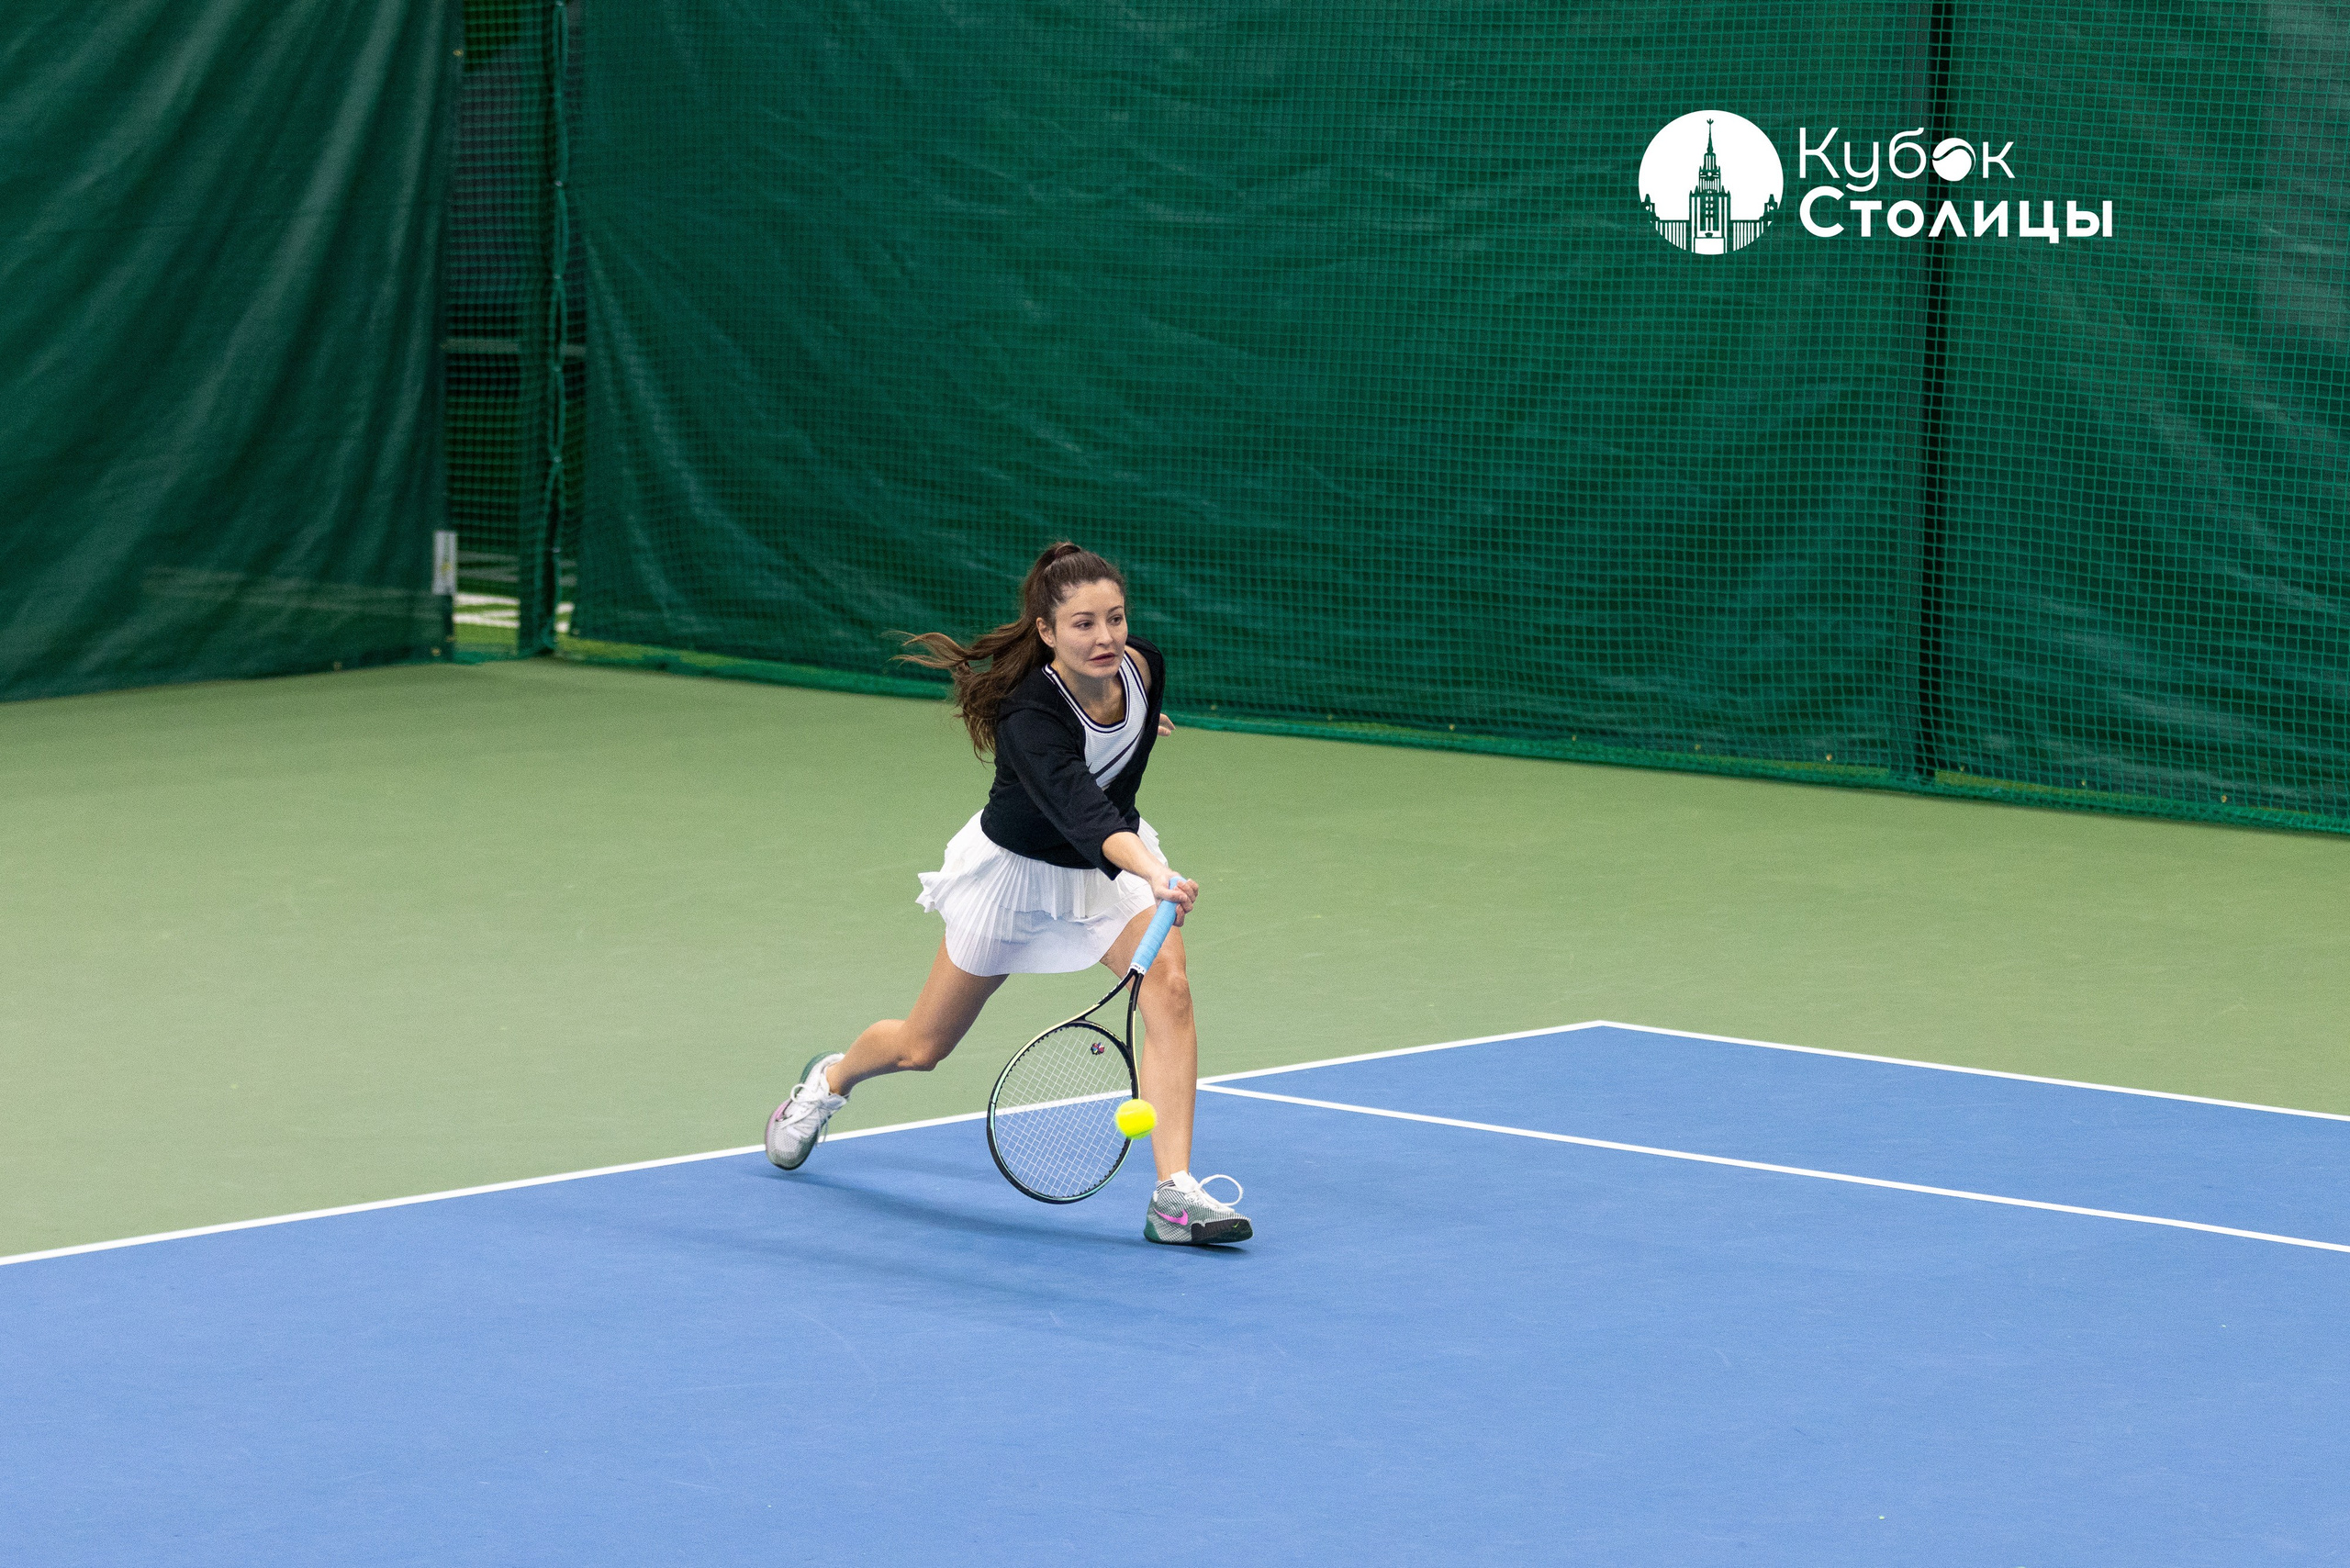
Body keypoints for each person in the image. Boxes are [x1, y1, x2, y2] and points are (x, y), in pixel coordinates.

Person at [764, 542, 1252, 1246]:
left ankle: (1173, 1195)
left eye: (1114, 618)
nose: (1106, 637)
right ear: (1047, 632)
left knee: (1170, 990)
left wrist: (1145, 727)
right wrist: (1150, 870)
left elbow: (1118, 754)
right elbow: (1084, 814)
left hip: (1110, 871)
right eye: (1083, 624)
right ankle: (828, 1082)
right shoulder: (1029, 717)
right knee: (921, 1046)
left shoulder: (1143, 666)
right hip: (1018, 875)